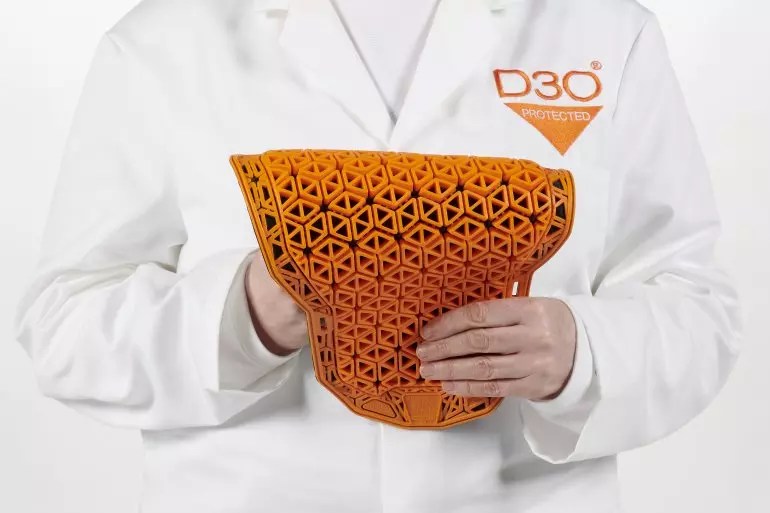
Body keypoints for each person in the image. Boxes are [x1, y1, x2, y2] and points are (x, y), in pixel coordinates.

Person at [13, 0, 743, 512]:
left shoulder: (603, 30)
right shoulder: (165, 41)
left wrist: (583, 352)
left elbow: (694, 301)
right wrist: (244, 315)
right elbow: (63, 322)